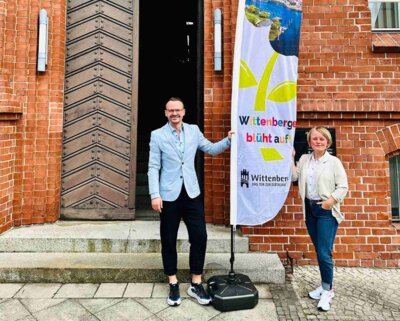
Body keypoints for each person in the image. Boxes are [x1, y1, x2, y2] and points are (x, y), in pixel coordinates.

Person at [147, 97, 233, 307]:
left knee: (200, 237)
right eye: (170, 110)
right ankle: (173, 282)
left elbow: (211, 149)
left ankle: (195, 282)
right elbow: (153, 167)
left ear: (183, 112)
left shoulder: (193, 131)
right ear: (166, 113)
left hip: (192, 193)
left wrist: (229, 140)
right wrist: (154, 194)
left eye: (178, 110)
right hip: (168, 196)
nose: (174, 113)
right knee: (168, 240)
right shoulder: (157, 135)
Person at [291, 126, 348, 312]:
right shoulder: (305, 159)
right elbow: (293, 177)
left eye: (322, 139)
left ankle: (328, 291)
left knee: (324, 253)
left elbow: (343, 187)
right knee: (319, 250)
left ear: (327, 142)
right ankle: (323, 285)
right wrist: (291, 158)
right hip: (309, 209)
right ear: (309, 142)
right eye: (315, 139)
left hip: (325, 211)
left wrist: (329, 202)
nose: (318, 142)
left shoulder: (333, 162)